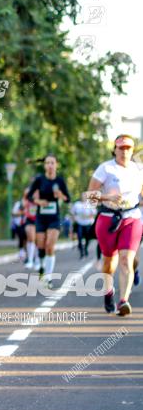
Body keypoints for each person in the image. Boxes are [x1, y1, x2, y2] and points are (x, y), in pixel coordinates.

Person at [87, 134, 143, 316]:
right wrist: (106, 197)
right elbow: (88, 197)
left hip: (132, 218)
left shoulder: (139, 170)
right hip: (108, 218)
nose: (125, 151)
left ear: (132, 150)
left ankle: (123, 301)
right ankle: (108, 293)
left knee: (126, 260)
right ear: (115, 149)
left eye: (128, 148)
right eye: (121, 148)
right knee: (109, 263)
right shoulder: (105, 169)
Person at [27, 155, 71, 285]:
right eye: (47, 163)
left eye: (52, 163)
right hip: (41, 217)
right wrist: (38, 201)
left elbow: (68, 199)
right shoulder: (39, 180)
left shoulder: (60, 181)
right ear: (44, 165)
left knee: (50, 246)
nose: (50, 165)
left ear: (56, 164)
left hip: (54, 217)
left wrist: (61, 195)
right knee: (40, 245)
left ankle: (49, 277)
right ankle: (41, 267)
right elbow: (29, 196)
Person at [71, 193, 97, 258]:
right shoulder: (77, 204)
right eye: (83, 196)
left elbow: (94, 213)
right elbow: (72, 213)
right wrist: (75, 220)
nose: (84, 197)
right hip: (79, 223)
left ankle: (85, 248)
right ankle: (81, 251)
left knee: (88, 238)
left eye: (85, 196)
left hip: (88, 223)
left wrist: (88, 217)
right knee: (79, 237)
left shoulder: (89, 204)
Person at [23, 187, 38, 269]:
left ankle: (37, 260)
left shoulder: (40, 195)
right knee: (31, 238)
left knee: (37, 240)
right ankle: (30, 260)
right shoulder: (28, 196)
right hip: (29, 220)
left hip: (38, 220)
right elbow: (25, 194)